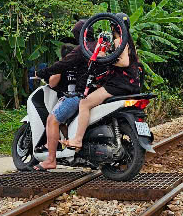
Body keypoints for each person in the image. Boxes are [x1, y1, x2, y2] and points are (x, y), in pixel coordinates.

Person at [65, 21, 142, 150]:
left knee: (84, 103)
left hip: (119, 84)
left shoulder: (119, 41)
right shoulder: (130, 42)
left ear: (114, 27)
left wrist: (105, 58)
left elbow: (124, 62)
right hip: (132, 84)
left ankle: (78, 139)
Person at [33, 20, 87, 170]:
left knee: (52, 120)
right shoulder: (97, 48)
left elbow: (53, 82)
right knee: (62, 121)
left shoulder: (80, 51)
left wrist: (42, 72)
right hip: (94, 93)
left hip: (77, 96)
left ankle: (51, 159)